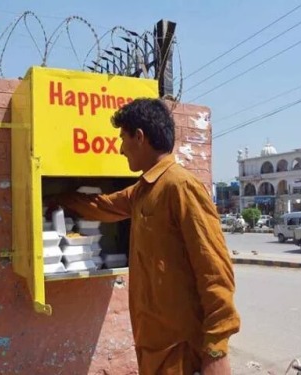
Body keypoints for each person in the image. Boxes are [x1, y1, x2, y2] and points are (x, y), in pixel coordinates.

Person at [50, 98, 240, 375]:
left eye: (122, 139)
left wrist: (215, 350)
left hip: (182, 352)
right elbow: (105, 205)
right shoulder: (144, 190)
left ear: (139, 137)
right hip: (155, 349)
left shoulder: (180, 186)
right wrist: (58, 198)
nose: (120, 149)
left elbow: (215, 272)